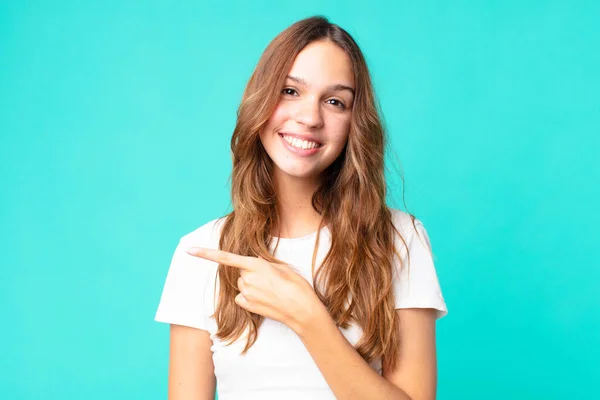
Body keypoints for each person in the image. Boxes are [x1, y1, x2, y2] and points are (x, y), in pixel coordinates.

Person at [155, 15, 448, 400]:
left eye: (335, 101)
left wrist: (308, 317)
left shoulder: (399, 239)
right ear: (259, 100)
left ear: (354, 123)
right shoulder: (202, 253)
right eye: (290, 91)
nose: (310, 118)